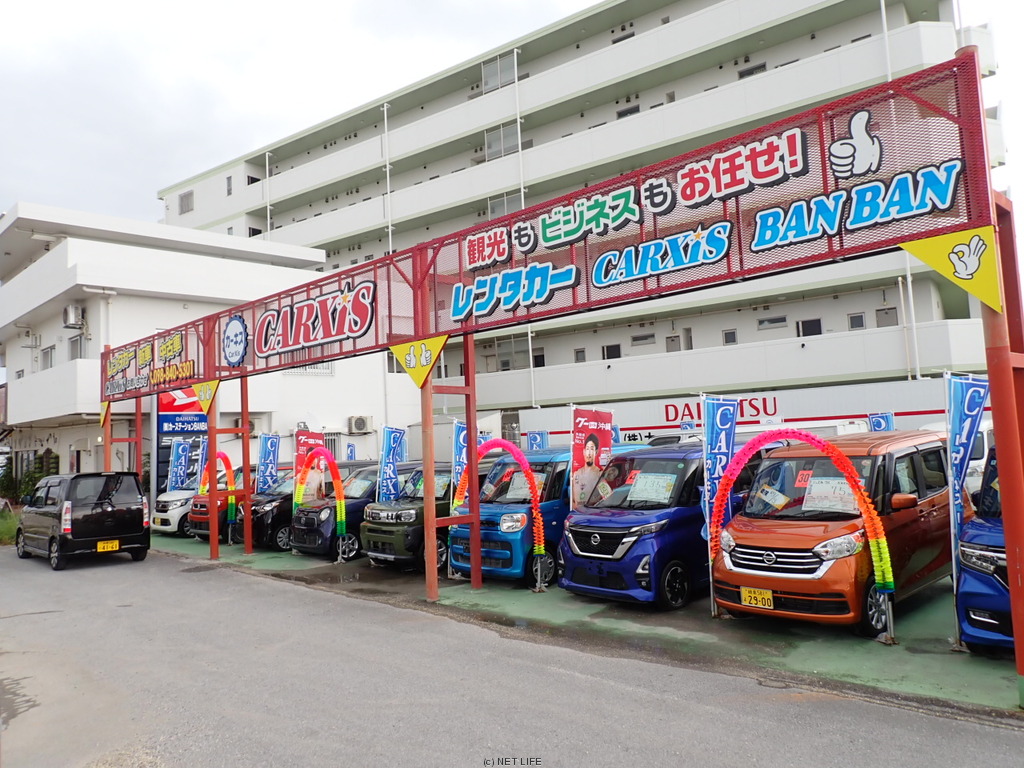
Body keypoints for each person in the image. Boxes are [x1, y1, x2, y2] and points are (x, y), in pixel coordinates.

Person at [572, 433, 604, 508]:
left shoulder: (600, 474)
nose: (589, 453)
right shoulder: (576, 474)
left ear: (596, 452)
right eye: (587, 449)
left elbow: (606, 495)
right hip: (579, 513)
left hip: (593, 512)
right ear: (584, 451)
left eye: (592, 449)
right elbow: (573, 501)